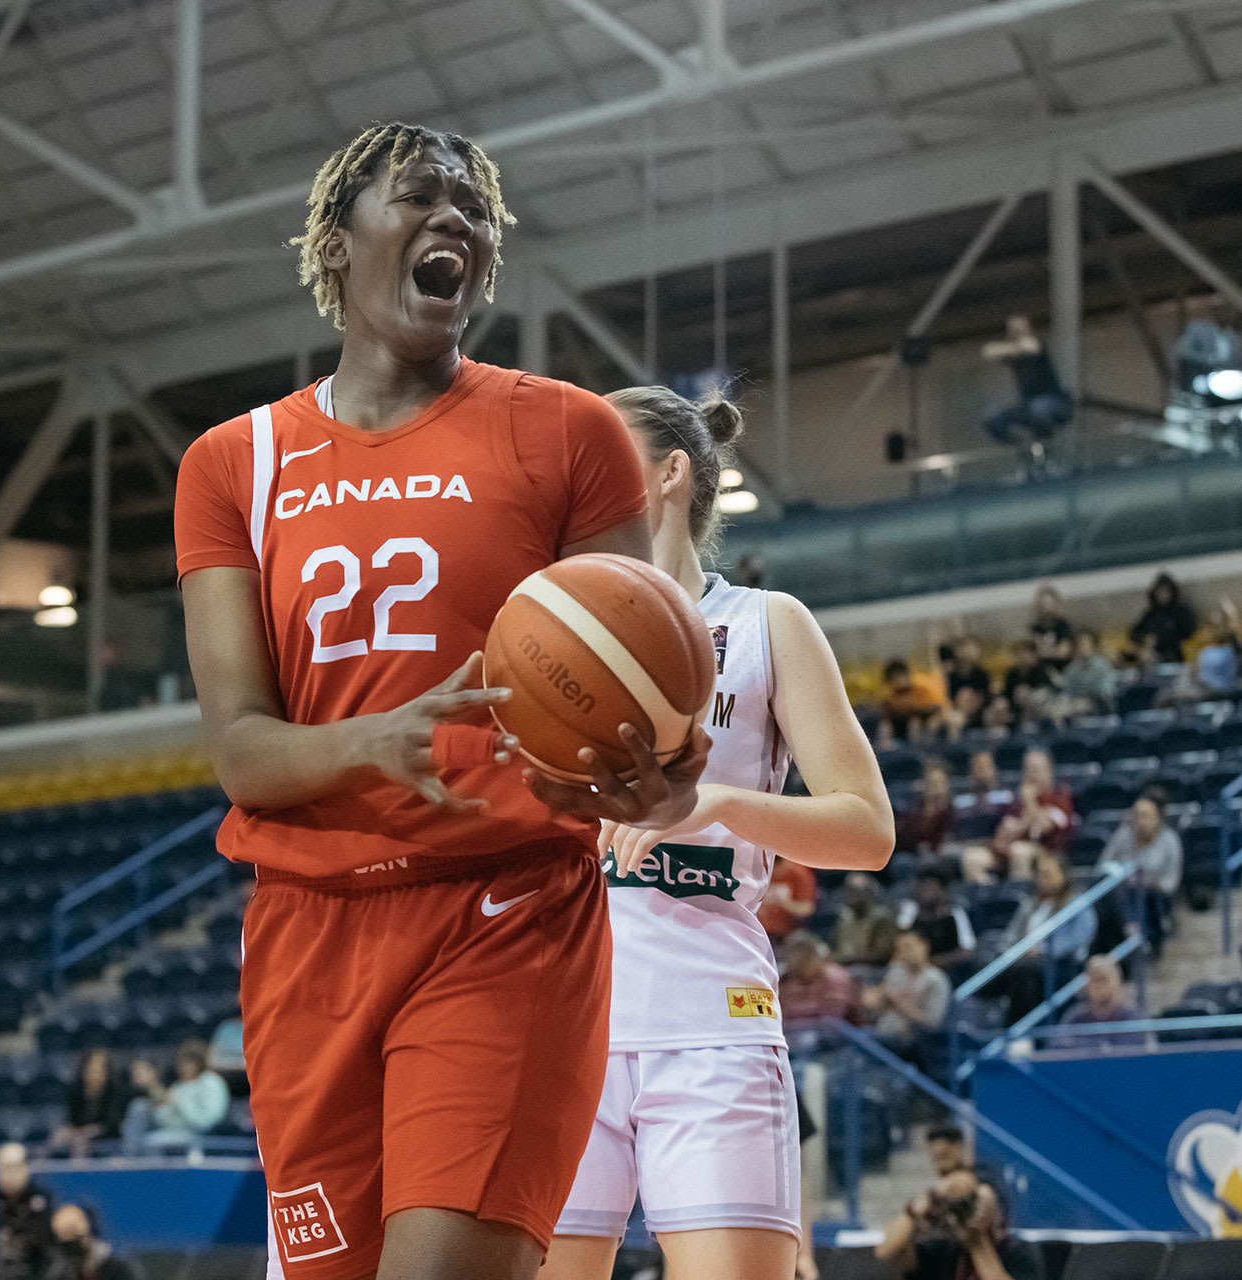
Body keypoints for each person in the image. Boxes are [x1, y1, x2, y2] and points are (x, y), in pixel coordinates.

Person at [173, 121, 706, 1280]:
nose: (454, 218)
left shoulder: (569, 431)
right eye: (419, 195)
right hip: (305, 937)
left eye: (476, 210)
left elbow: (643, 681)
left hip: (504, 914)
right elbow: (245, 755)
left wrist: (655, 767)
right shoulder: (232, 464)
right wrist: (382, 737)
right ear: (336, 238)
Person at [546, 385, 894, 1280]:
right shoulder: (548, 627)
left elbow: (867, 830)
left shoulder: (767, 623)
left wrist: (721, 804)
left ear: (669, 473)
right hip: (558, 1019)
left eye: (601, 449)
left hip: (712, 1019)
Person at [876, 1170, 1042, 1280]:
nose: (966, 1212)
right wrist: (919, 1206)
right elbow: (887, 1251)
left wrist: (977, 1240)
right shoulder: (947, 1251)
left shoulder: (1018, 1251)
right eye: (959, 1207)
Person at [996, 852, 1096, 1023]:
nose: (1043, 879)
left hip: (1063, 966)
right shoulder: (1030, 905)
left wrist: (1041, 950)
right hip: (1027, 963)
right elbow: (1010, 936)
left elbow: (1079, 937)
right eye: (1040, 874)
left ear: (1063, 875)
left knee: (1024, 974)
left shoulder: (1077, 905)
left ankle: (1019, 1033)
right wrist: (1013, 951)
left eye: (1048, 874)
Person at [967, 750, 1073, 883]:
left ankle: (1021, 896)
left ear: (1049, 771)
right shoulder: (1016, 801)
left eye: (1036, 769)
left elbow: (1044, 828)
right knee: (972, 858)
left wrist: (1029, 802)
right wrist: (1024, 823)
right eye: (1028, 769)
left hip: (1047, 852)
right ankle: (989, 898)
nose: (1032, 775)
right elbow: (1001, 838)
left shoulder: (1059, 796)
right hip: (1008, 850)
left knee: (1019, 851)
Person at [1098, 794, 1180, 960]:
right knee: (1108, 889)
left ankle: (1136, 936)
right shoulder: (1123, 836)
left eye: (1146, 816)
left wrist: (1145, 882)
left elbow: (1171, 882)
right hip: (1121, 894)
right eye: (1137, 816)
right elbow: (1102, 866)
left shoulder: (1169, 840)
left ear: (1157, 819)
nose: (1140, 821)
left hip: (1152, 896)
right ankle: (1131, 932)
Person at [980, 315, 1070, 448]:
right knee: (992, 419)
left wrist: (1013, 348)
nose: (1016, 332)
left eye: (1020, 328)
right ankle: (1021, 447)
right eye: (1013, 329)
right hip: (1026, 404)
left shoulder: (1037, 342)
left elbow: (1031, 347)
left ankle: (1045, 447)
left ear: (1029, 328)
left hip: (1054, 401)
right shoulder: (1013, 351)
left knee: (1038, 410)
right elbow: (987, 351)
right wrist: (1013, 348)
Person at [122, 1041, 229, 1151]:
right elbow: (168, 1120)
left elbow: (206, 1122)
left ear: (197, 1062)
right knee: (140, 1108)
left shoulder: (211, 1083)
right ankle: (129, 1156)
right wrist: (159, 1107)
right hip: (177, 1131)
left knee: (153, 1141)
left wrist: (178, 1102)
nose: (180, 1067)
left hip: (202, 1134)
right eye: (179, 1063)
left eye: (185, 1062)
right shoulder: (179, 1086)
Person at [862, 932, 951, 1061]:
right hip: (883, 1034)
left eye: (909, 948)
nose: (904, 954)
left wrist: (901, 1002)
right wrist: (876, 997)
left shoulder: (936, 979)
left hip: (916, 1044)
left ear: (923, 948)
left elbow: (932, 1022)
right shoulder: (897, 973)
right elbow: (872, 1005)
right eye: (900, 949)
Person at [0, 1143, 53, 1280]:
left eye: (14, 1167)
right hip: (5, 1263)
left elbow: (43, 1236)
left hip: (38, 1263)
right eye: (5, 1168)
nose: (10, 1174)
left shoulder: (39, 1194)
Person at [1054, 955, 1147, 1052]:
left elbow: (1147, 1055)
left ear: (1117, 981)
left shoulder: (1133, 1017)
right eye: (1094, 979)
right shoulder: (1074, 1018)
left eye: (1104, 978)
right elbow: (1057, 1051)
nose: (1099, 985)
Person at [50, 1047, 128, 1159]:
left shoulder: (114, 1092)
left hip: (109, 1142)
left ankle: (81, 1171)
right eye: (90, 1069)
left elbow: (112, 1126)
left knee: (81, 1142)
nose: (93, 1074)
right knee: (59, 1137)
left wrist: (88, 1132)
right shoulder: (76, 1092)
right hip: (80, 1136)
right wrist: (72, 1132)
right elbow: (73, 1122)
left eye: (98, 1070)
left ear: (106, 1072)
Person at [897, 872, 977, 977]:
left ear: (943, 891)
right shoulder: (909, 910)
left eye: (930, 888)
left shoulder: (955, 913)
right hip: (910, 970)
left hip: (944, 971)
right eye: (922, 887)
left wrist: (943, 960)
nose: (925, 892)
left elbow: (968, 950)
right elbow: (897, 943)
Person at [777, 934, 860, 1033]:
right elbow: (781, 1020)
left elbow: (833, 1020)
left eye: (805, 957)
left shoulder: (834, 976)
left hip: (839, 1038)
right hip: (797, 1038)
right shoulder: (784, 982)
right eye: (792, 957)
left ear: (815, 957)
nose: (797, 961)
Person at [42, 1206, 135, 1280]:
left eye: (75, 1242)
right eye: (66, 1245)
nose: (73, 1251)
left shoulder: (116, 1270)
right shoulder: (61, 1274)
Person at [833, 872, 900, 967]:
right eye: (850, 890)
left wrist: (846, 959)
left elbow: (881, 956)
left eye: (858, 890)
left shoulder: (881, 917)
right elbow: (837, 949)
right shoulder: (844, 918)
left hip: (875, 971)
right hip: (847, 969)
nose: (853, 895)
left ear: (869, 892)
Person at [1130, 573, 1195, 665]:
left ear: (1172, 592)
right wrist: (1145, 639)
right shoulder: (1152, 613)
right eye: (1160, 592)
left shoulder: (1180, 611)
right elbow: (1133, 633)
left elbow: (1186, 633)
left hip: (1172, 655)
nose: (1163, 595)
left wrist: (1159, 639)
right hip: (1152, 655)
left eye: (1166, 591)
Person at [895, 763, 955, 859]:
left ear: (947, 785)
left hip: (944, 852)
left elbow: (950, 836)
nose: (936, 787)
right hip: (916, 853)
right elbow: (905, 835)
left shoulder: (952, 808)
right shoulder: (914, 808)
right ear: (924, 784)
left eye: (940, 783)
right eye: (932, 783)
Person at [1053, 629, 1116, 716]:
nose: (1082, 647)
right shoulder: (1071, 669)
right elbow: (1066, 691)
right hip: (1077, 713)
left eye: (1086, 643)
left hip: (1101, 711)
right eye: (1079, 644)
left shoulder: (1103, 666)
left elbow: (1107, 690)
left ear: (1093, 646)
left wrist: (1088, 700)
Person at [877, 660, 940, 745]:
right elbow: (887, 716)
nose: (899, 681)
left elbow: (935, 707)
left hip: (921, 723)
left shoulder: (920, 690)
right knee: (884, 726)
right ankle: (885, 749)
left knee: (915, 722)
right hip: (898, 726)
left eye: (901, 677)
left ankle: (920, 749)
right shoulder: (890, 697)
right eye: (894, 679)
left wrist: (915, 708)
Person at [758, 858, 817, 945]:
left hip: (786, 935)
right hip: (760, 931)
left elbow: (807, 908)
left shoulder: (799, 873)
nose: (776, 871)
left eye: (778, 867)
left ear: (785, 862)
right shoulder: (762, 870)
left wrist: (786, 904)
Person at [1000, 642, 1054, 723]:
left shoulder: (1041, 670)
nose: (1022, 657)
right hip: (1016, 707)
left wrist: (1030, 695)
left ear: (1033, 656)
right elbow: (1006, 693)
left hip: (1038, 706)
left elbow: (1048, 690)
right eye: (1019, 654)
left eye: (1025, 654)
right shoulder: (1012, 673)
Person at [1027, 586, 1073, 671]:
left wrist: (1042, 653)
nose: (1045, 607)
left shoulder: (1062, 625)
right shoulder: (1034, 627)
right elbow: (1029, 655)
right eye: (1043, 603)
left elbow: (1063, 652)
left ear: (1055, 604)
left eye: (1048, 603)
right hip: (1040, 672)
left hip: (1062, 669)